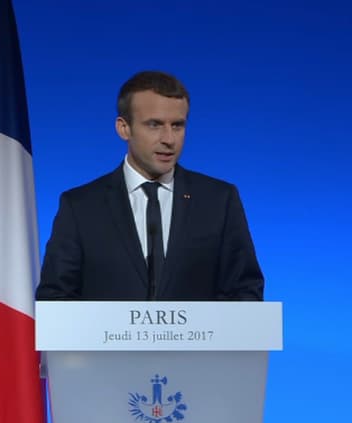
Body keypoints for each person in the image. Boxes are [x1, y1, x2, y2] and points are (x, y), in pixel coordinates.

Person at [36, 71, 263, 301]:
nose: (169, 139)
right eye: (154, 125)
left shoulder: (218, 201)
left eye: (177, 125)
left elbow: (245, 291)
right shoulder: (81, 206)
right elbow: (56, 297)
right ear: (124, 128)